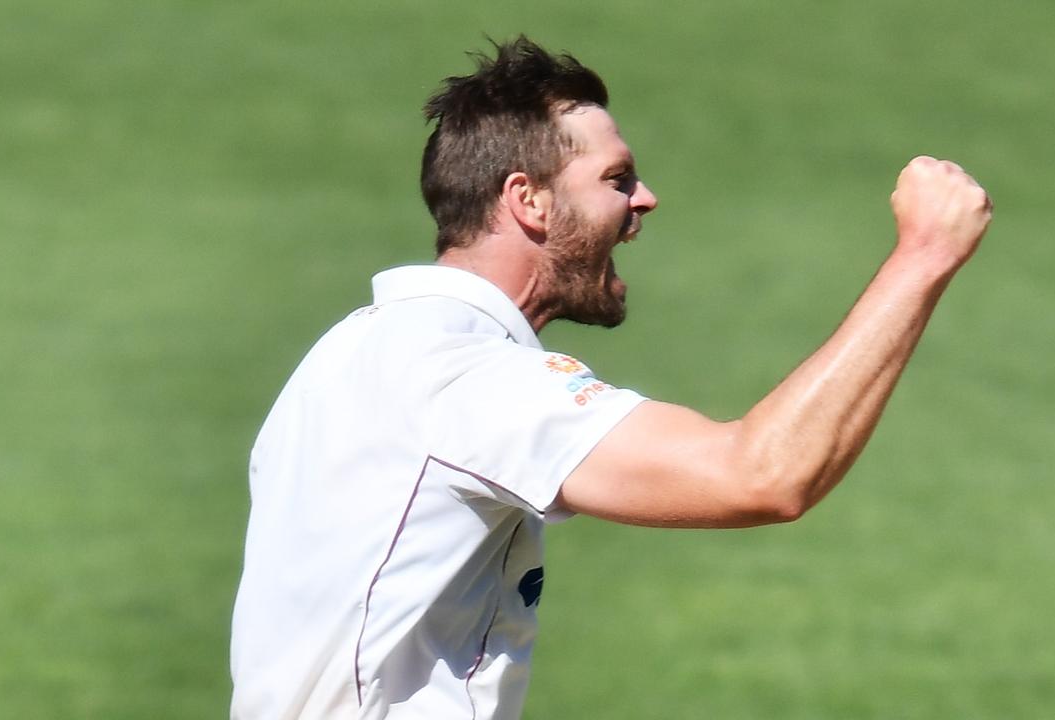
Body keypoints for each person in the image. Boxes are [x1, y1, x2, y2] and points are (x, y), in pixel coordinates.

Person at [229, 36, 992, 720]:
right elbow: (760, 475)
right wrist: (923, 255)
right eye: (617, 179)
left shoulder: (353, 350)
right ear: (526, 199)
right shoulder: (457, 374)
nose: (644, 199)